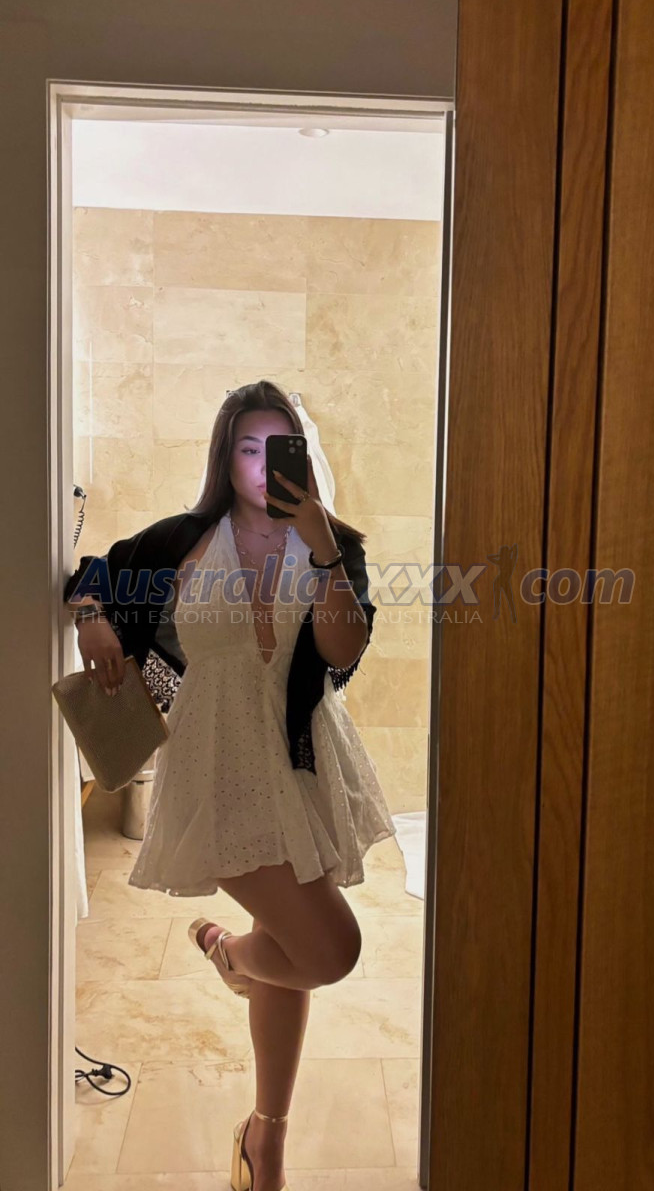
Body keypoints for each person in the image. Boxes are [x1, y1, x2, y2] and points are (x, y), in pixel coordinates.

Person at [65, 380, 396, 1191]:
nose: (261, 464)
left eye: (277, 446)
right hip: (215, 768)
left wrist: (320, 545)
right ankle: (228, 955)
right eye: (247, 447)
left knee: (292, 948)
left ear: (301, 453)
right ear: (225, 457)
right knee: (329, 951)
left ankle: (264, 1138)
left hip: (302, 765)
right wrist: (91, 615)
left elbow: (342, 650)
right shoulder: (183, 539)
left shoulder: (333, 545)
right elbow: (94, 570)